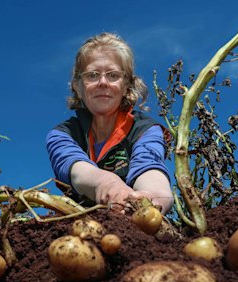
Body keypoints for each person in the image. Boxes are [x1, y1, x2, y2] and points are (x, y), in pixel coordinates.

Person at [46, 32, 173, 214]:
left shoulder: (145, 130)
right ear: (77, 86)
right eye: (92, 75)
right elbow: (76, 170)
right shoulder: (63, 134)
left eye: (113, 75)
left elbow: (149, 167)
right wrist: (108, 186)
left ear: (126, 86)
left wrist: (152, 197)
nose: (103, 82)